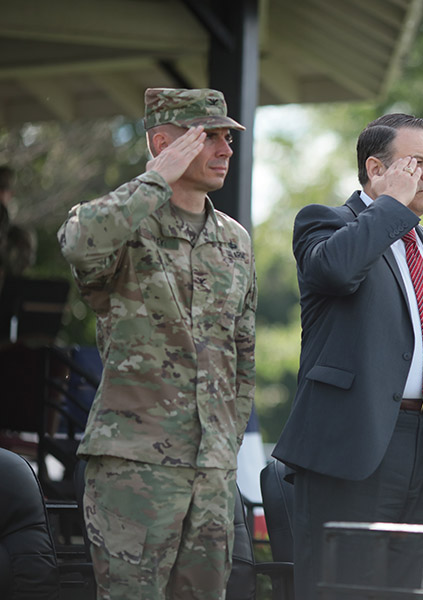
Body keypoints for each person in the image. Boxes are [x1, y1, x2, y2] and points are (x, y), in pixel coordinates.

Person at [57, 88, 257, 600]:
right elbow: (79, 243)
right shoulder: (124, 225)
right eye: (207, 136)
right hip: (134, 464)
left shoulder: (234, 240)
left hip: (210, 471)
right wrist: (155, 178)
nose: (225, 149)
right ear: (164, 143)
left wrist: (225, 445)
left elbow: (243, 350)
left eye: (227, 138)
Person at [272, 113, 423, 599]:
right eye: (417, 162)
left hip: (422, 439)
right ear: (375, 169)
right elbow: (335, 272)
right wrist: (392, 207)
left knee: (399, 588)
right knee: (341, 588)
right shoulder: (326, 222)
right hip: (351, 443)